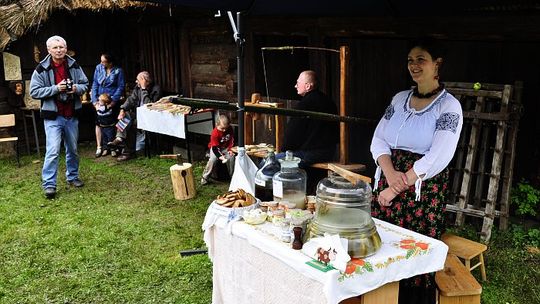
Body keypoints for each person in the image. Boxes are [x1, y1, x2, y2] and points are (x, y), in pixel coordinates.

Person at [369, 39, 463, 304]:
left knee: (413, 255)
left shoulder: (449, 107)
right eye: (410, 60)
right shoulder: (399, 100)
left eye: (421, 59)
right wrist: (388, 173)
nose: (414, 65)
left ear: (437, 64)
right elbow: (379, 139)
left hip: (421, 192)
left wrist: (397, 186)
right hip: (389, 181)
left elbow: (439, 155)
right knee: (383, 249)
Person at [30, 35, 89, 199]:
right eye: (55, 48)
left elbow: (85, 84)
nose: (59, 50)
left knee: (73, 149)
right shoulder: (41, 69)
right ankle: (49, 185)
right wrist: (56, 89)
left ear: (66, 48)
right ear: (48, 50)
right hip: (53, 117)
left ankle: (73, 177)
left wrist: (76, 88)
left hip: (71, 114)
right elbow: (34, 92)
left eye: (61, 47)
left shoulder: (74, 65)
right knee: (53, 150)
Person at [279, 70, 338, 168]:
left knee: (268, 164)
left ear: (308, 86)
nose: (295, 86)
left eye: (298, 83)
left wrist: (285, 149)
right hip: (329, 152)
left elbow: (293, 133)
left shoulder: (305, 104)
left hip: (311, 153)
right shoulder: (329, 101)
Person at [108, 71, 161, 161]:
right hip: (138, 115)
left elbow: (148, 106)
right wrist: (122, 109)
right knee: (125, 116)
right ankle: (119, 138)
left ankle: (127, 152)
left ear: (145, 81)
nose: (136, 82)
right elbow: (131, 99)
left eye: (138, 80)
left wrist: (144, 89)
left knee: (130, 125)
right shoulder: (137, 88)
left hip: (149, 117)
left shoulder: (156, 89)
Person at [91, 53, 125, 158]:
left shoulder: (118, 71)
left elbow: (121, 86)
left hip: (111, 99)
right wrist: (94, 101)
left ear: (110, 62)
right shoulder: (98, 68)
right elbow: (95, 83)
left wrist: (113, 101)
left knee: (113, 124)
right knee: (99, 123)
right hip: (100, 100)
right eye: (101, 61)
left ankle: (114, 147)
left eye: (104, 61)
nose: (101, 63)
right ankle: (100, 147)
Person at [201, 114, 235, 185]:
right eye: (222, 128)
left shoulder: (230, 129)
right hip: (215, 148)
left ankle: (233, 177)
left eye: (226, 128)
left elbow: (231, 140)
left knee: (232, 158)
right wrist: (221, 157)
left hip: (225, 148)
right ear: (217, 125)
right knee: (212, 160)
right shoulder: (215, 133)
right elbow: (215, 148)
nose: (224, 130)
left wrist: (230, 150)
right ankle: (205, 177)